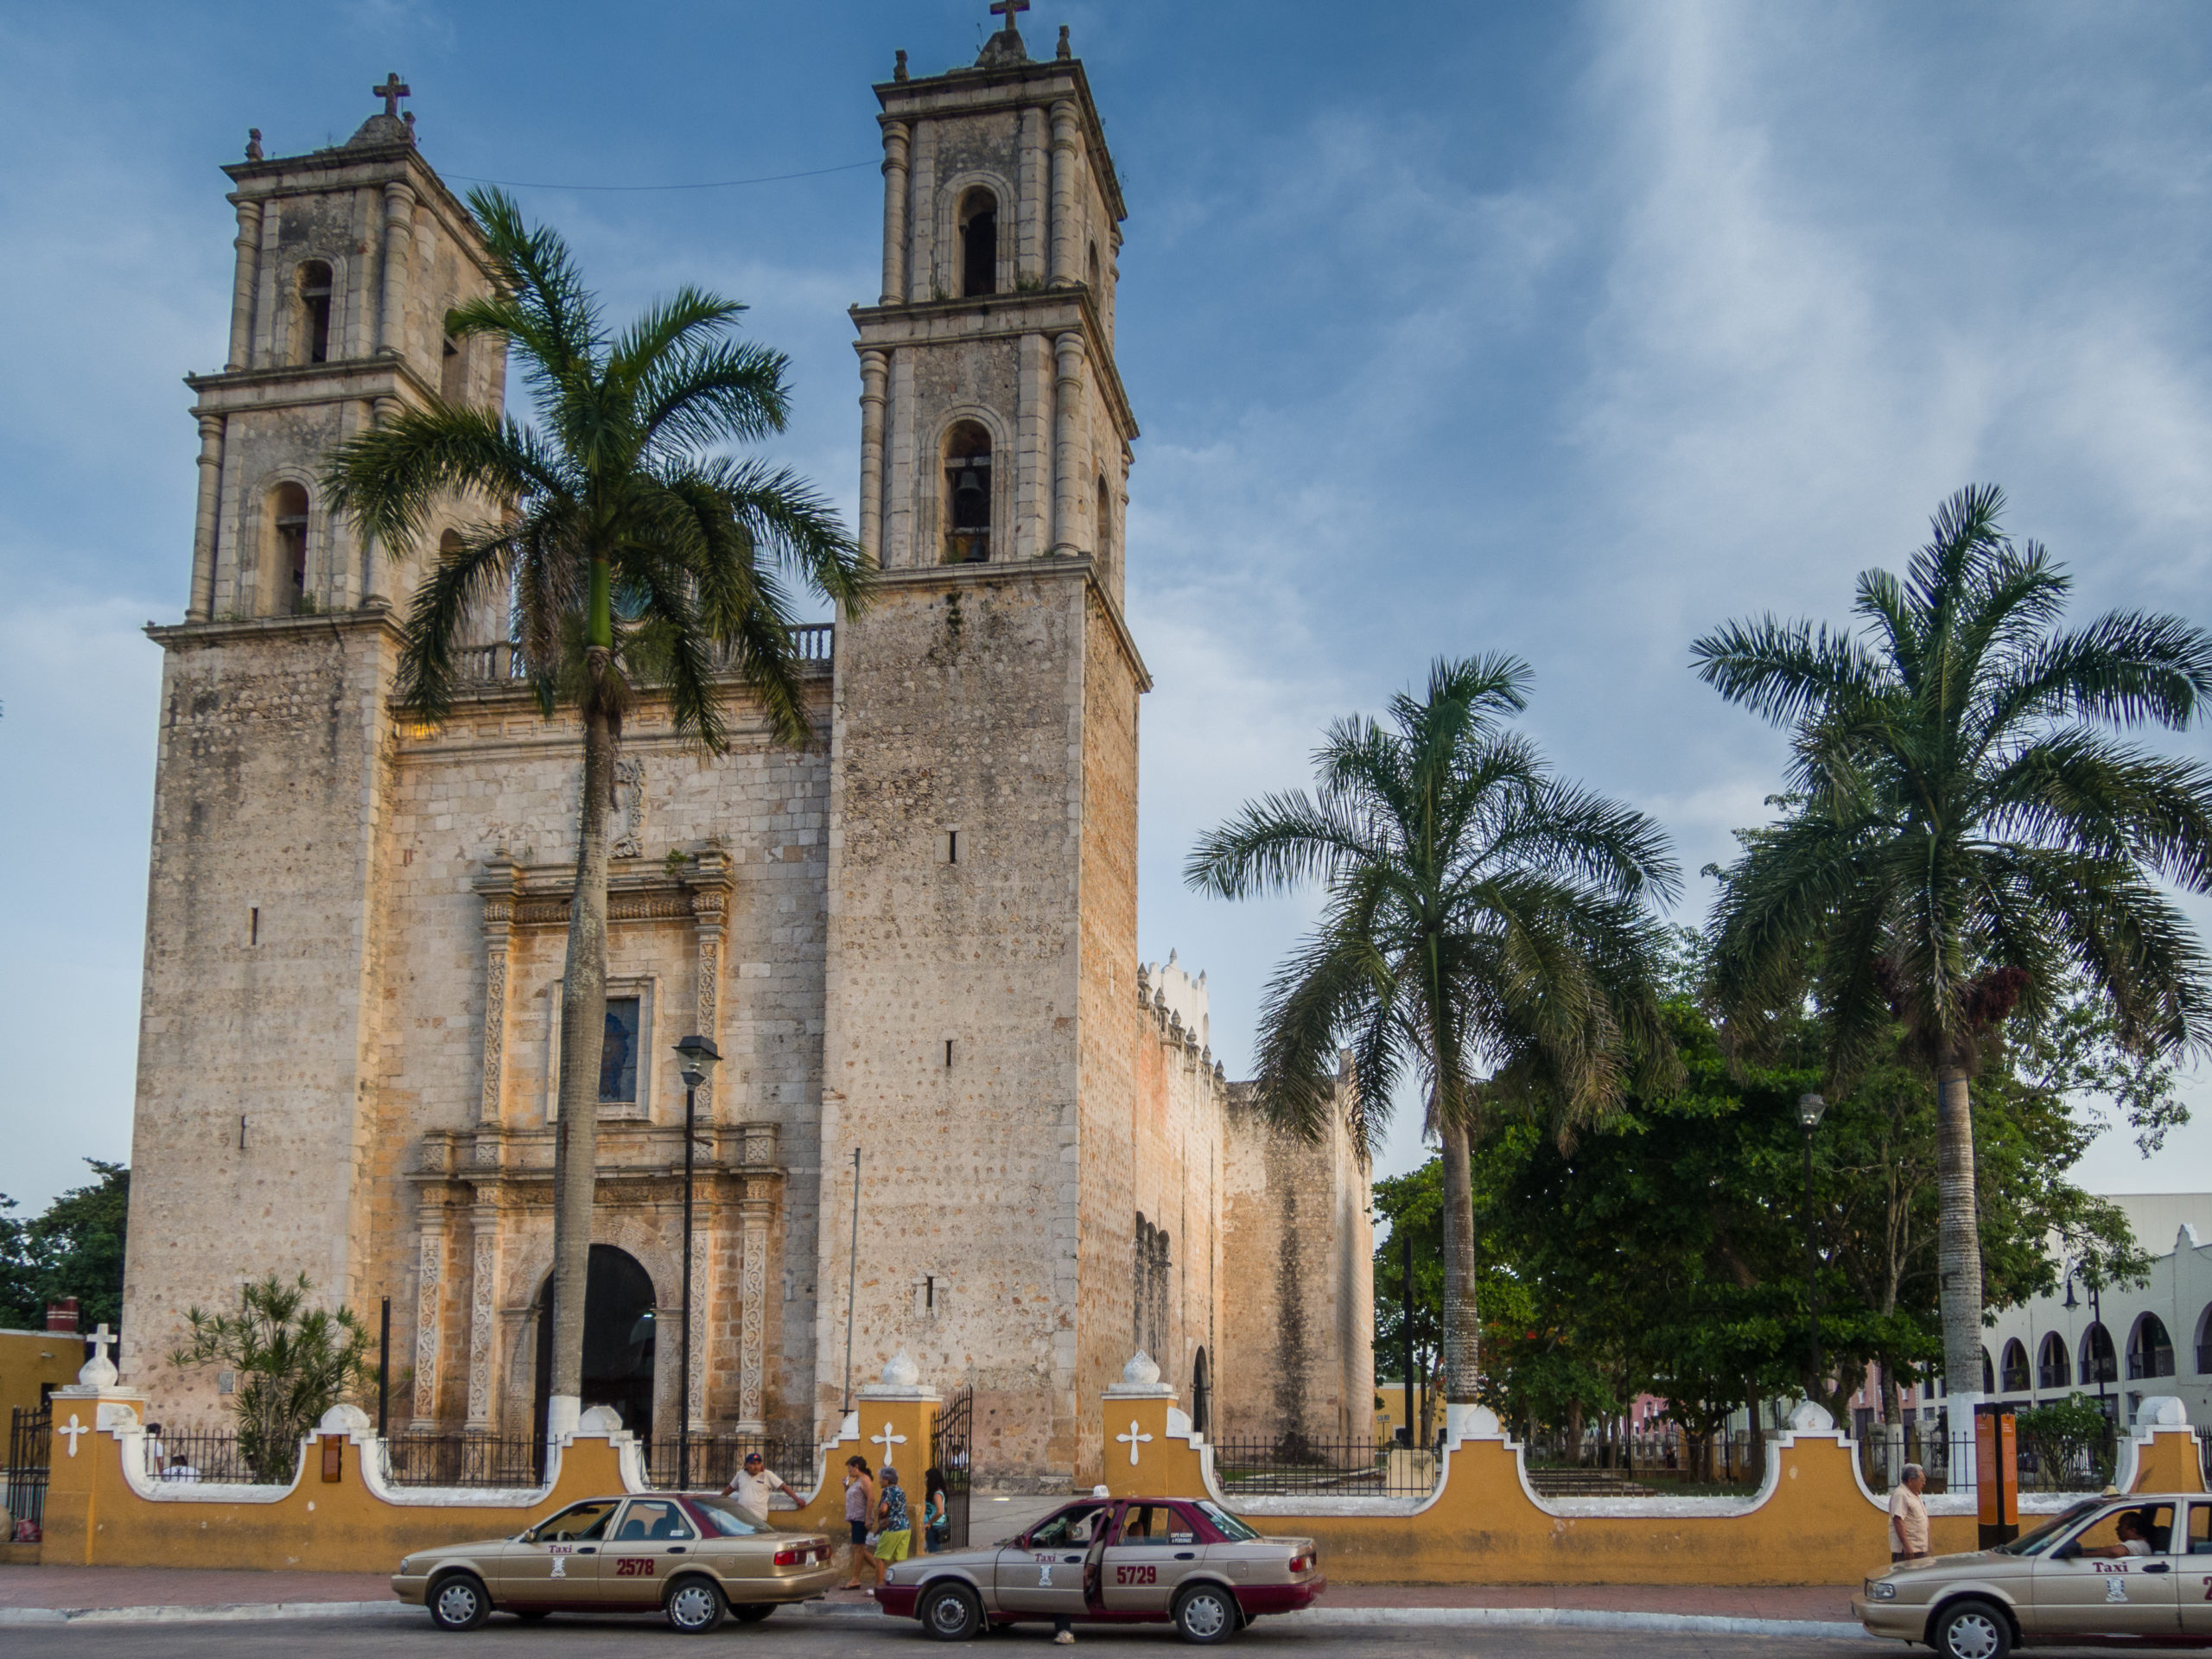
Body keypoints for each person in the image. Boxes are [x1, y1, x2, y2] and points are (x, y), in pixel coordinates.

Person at [839, 1454, 877, 1589]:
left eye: (850, 1468)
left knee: (859, 1549)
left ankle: (855, 1579)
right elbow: (853, 1497)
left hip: (861, 1518)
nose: (848, 1471)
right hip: (855, 1518)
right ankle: (881, 1571)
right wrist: (846, 1487)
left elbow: (871, 1499)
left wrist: (867, 1518)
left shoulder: (865, 1480)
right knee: (860, 1548)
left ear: (856, 1467)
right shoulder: (857, 1481)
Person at [721, 1449, 789, 1520]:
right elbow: (730, 1488)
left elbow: (783, 1487)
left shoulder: (767, 1474)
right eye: (753, 1464)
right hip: (742, 1516)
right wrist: (718, 1500)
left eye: (758, 1464)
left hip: (759, 1517)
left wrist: (798, 1499)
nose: (756, 1467)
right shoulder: (741, 1474)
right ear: (746, 1465)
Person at [873, 1465, 912, 1582]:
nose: (879, 1481)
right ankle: (900, 1585)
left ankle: (879, 1587)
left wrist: (879, 1515)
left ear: (886, 1479)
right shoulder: (901, 1490)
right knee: (900, 1560)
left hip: (893, 1527)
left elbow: (883, 1509)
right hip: (905, 1526)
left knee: (879, 1558)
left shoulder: (887, 1491)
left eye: (880, 1478)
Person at [1889, 1464, 1929, 1563]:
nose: (1924, 1483)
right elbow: (1898, 1520)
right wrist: (1907, 1546)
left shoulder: (1914, 1494)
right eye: (1922, 1480)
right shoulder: (1901, 1494)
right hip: (1909, 1550)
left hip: (1919, 1548)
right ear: (1911, 1481)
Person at [2084, 1510, 2156, 1559]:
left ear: (2132, 1530)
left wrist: (2085, 1554)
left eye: (2121, 1526)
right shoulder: (2140, 1543)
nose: (2117, 1529)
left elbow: (2114, 1552)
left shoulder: (2136, 1544)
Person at [923, 1467, 950, 1553]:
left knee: (934, 1552)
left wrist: (929, 1523)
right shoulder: (935, 1493)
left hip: (934, 1527)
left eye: (926, 1478)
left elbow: (940, 1511)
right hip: (934, 1526)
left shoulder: (937, 1494)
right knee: (934, 1550)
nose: (925, 1480)